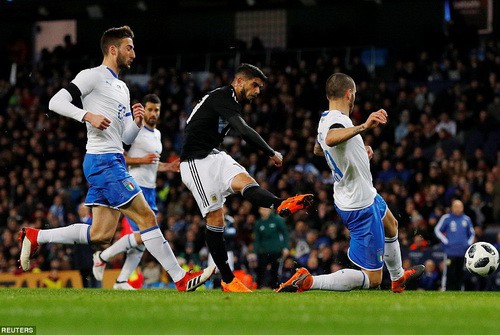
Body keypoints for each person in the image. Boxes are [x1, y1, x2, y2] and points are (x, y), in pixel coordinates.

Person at [18, 26, 214, 292]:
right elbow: (55, 102)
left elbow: (125, 139)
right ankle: (180, 277)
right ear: (113, 49)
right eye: (129, 47)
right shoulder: (92, 76)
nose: (133, 53)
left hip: (112, 159)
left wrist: (135, 122)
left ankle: (35, 235)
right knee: (147, 217)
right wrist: (87, 116)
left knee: (100, 235)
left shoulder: (122, 87)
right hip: (103, 162)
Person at [276, 72, 424, 293]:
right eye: (354, 94)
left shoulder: (325, 118)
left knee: (391, 225)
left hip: (364, 193)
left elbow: (319, 148)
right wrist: (364, 127)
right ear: (349, 94)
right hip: (359, 203)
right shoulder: (338, 121)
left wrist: (358, 153)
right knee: (373, 279)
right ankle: (308, 281)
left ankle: (398, 278)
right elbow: (330, 139)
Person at [179, 63, 314, 292]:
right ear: (239, 81)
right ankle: (228, 279)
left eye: (260, 87)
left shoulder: (232, 102)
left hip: (213, 154)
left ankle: (280, 203)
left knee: (246, 181)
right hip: (195, 161)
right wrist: (271, 152)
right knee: (215, 217)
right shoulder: (223, 96)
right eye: (255, 85)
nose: (258, 91)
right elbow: (243, 130)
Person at [91, 93, 190, 290]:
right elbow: (117, 157)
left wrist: (167, 167)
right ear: (143, 110)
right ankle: (102, 256)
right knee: (146, 234)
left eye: (157, 110)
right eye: (150, 109)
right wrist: (140, 161)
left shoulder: (157, 134)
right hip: (133, 187)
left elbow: (152, 165)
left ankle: (121, 281)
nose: (153, 113)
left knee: (144, 240)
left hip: (151, 189)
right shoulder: (133, 132)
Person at [434, 199, 475, 291]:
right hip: (450, 251)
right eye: (456, 207)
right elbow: (437, 230)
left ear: (462, 208)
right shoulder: (446, 218)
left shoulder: (466, 219)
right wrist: (446, 241)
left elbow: (472, 233)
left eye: (460, 207)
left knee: (461, 273)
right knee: (449, 272)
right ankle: (446, 289)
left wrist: (468, 243)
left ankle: (460, 290)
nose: (458, 209)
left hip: (462, 252)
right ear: (452, 208)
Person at [253, 207, 289, 289]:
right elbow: (257, 239)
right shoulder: (258, 223)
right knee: (260, 270)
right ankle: (259, 287)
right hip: (263, 251)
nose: (264, 211)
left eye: (266, 209)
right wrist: (255, 252)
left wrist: (285, 247)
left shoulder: (277, 220)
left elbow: (285, 234)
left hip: (276, 250)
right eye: (262, 209)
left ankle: (275, 287)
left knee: (275, 270)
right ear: (259, 210)